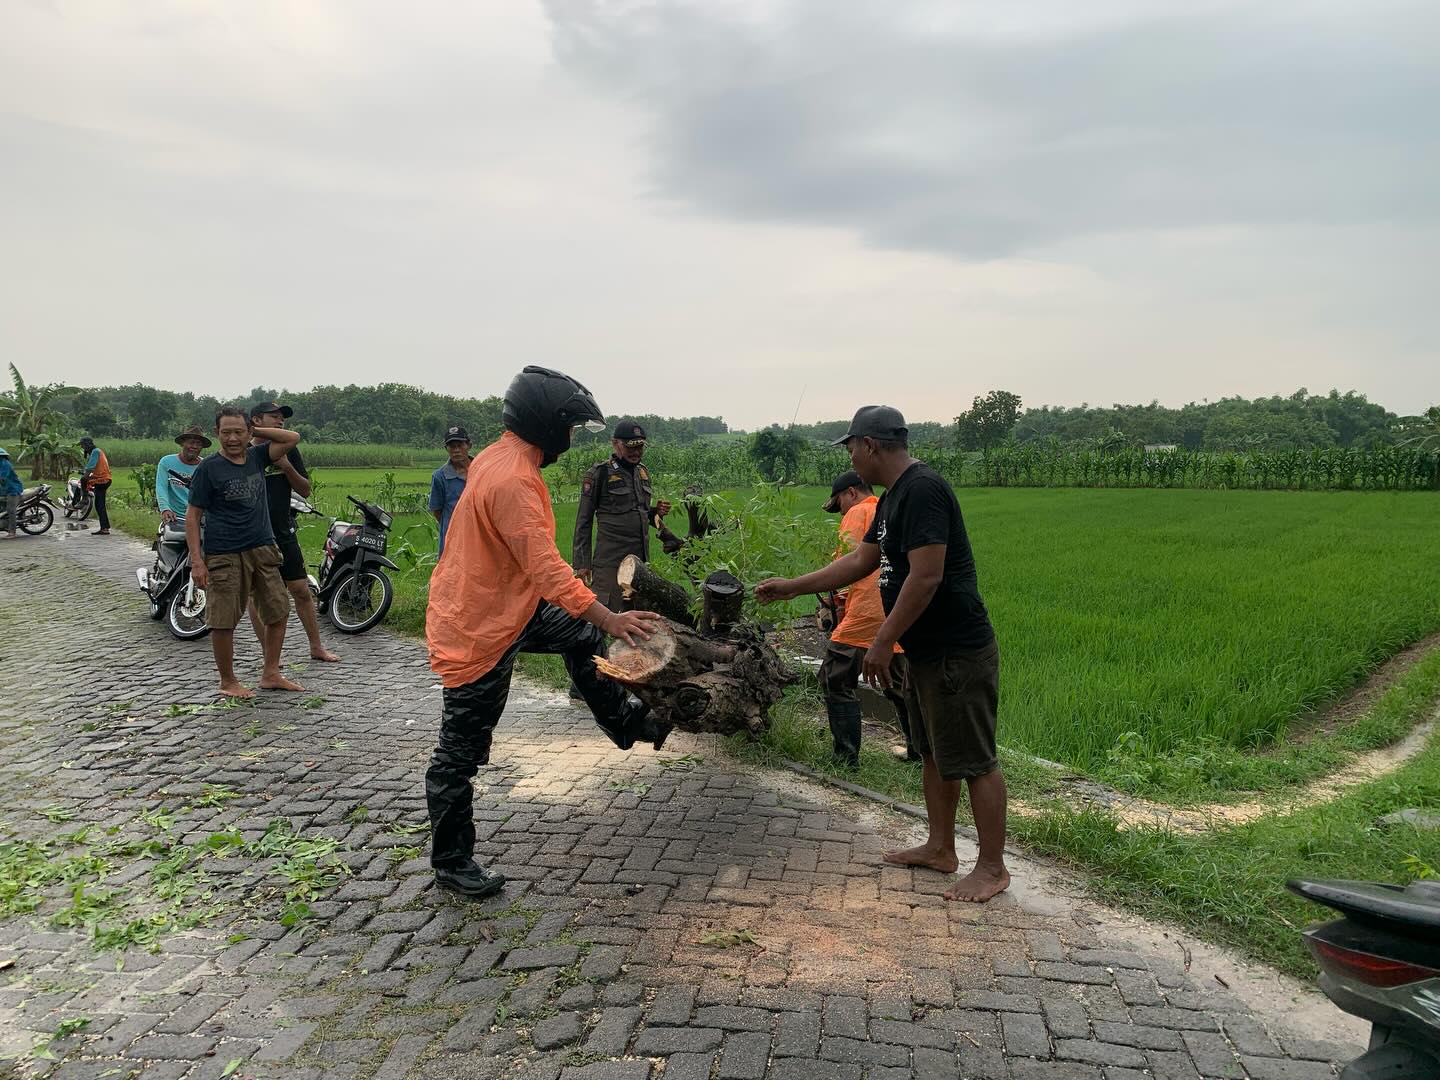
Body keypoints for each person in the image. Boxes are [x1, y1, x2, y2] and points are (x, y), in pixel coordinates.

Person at [425, 367, 671, 900]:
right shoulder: (512, 476)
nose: (572, 438)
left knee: (580, 639)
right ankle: (450, 861)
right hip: (480, 623)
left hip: (511, 604)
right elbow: (545, 566)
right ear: (547, 424)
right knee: (459, 749)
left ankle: (628, 724)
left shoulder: (504, 455)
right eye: (571, 428)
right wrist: (610, 617)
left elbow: (533, 571)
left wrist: (592, 623)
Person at [757, 405, 1009, 903]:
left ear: (870, 445)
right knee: (934, 751)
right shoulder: (894, 498)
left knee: (975, 759)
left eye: (851, 445)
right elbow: (861, 560)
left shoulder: (923, 490)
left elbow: (928, 575)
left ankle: (993, 868)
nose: (850, 455)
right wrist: (791, 587)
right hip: (925, 650)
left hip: (956, 649)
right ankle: (940, 848)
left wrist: (879, 641)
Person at [185, 407, 306, 699]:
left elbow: (292, 437)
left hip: (262, 548)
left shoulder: (257, 456)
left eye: (239, 432)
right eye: (226, 432)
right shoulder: (209, 469)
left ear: (249, 433)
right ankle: (228, 681)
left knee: (278, 610)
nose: (232, 438)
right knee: (224, 619)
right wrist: (197, 561)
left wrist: (257, 432)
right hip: (224, 552)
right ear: (217, 435)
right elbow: (193, 516)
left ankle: (271, 672)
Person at [818, 469, 920, 768]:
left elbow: (848, 563)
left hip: (865, 610)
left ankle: (845, 758)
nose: (841, 513)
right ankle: (919, 753)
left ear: (851, 492)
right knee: (899, 684)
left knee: (834, 678)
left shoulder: (859, 512)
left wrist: (832, 600)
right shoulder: (888, 508)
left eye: (839, 505)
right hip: (896, 610)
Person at [246, 401, 339, 664]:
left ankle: (316, 646)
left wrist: (286, 466)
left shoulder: (288, 449)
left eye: (282, 418)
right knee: (258, 595)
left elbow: (305, 490)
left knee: (300, 588)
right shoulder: (243, 452)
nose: (280, 421)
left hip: (283, 529)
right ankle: (270, 656)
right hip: (252, 534)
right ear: (256, 420)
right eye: (273, 416)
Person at [571, 420, 673, 609]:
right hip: (611, 565)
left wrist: (655, 513)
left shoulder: (642, 472)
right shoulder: (599, 474)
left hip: (640, 564)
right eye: (630, 447)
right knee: (608, 616)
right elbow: (583, 521)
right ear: (615, 443)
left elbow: (638, 512)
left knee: (637, 616)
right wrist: (582, 563)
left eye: (640, 447)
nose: (636, 452)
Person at [429, 426, 472, 558]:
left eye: (460, 445)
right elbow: (437, 511)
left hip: (479, 535)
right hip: (452, 538)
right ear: (446, 449)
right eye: (452, 447)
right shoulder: (439, 477)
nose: (456, 450)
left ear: (469, 445)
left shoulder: (482, 469)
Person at [155, 425, 210, 524]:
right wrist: (165, 509)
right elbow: (161, 487)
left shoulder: (205, 466)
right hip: (175, 517)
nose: (194, 446)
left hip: (199, 517)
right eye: (191, 442)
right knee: (169, 538)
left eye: (198, 443)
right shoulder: (166, 462)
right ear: (182, 443)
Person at [79, 436, 112, 536]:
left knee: (99, 504)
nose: (83, 448)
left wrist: (85, 476)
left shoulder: (95, 452)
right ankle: (105, 527)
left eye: (83, 446)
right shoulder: (97, 451)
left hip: (102, 480)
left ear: (87, 445)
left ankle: (84, 499)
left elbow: (90, 467)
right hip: (103, 479)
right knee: (99, 504)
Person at [0, 448, 22, 540]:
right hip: (4, 489)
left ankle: (12, 532)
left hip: (13, 489)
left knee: (10, 510)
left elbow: (2, 477)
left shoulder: (5, 464)